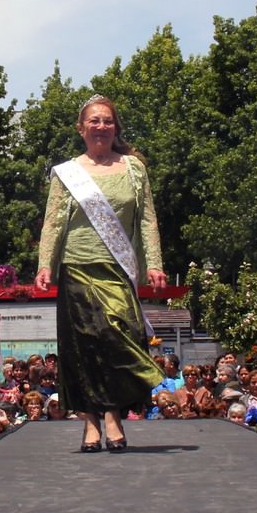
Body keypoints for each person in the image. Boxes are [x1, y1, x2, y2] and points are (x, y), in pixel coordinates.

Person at [33, 94, 166, 454]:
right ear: (81, 128)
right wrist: (46, 264)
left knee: (117, 335)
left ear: (115, 127)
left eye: (107, 121)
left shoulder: (134, 168)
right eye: (94, 121)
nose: (101, 127)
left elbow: (148, 218)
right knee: (84, 348)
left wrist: (155, 263)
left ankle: (114, 411)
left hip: (118, 268)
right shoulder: (68, 173)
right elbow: (54, 222)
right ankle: (95, 421)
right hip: (77, 266)